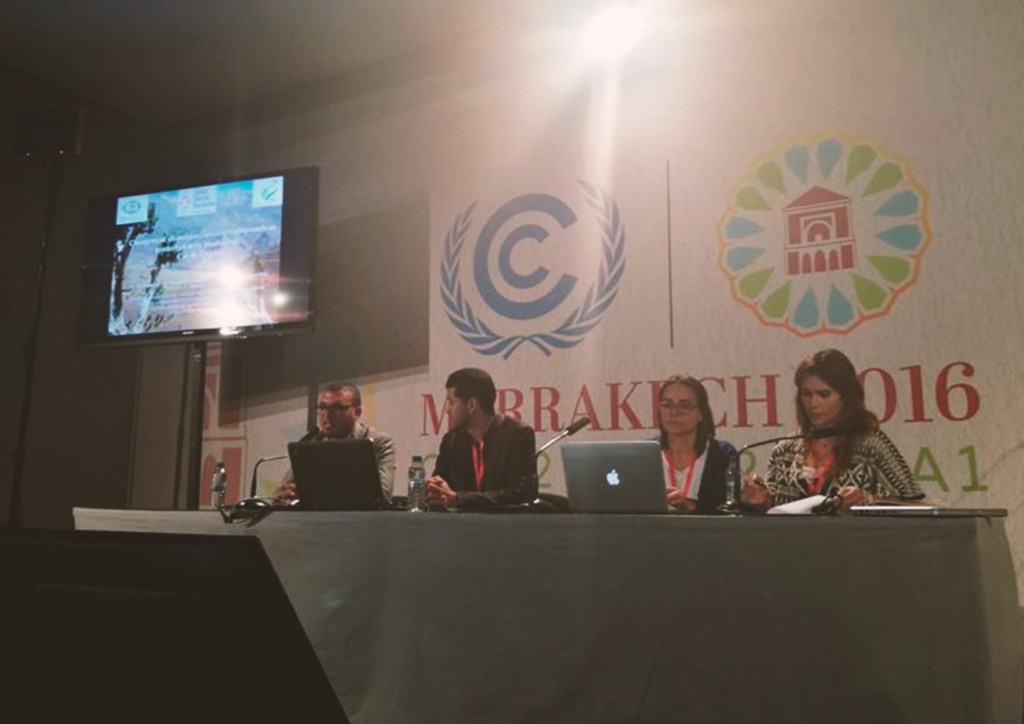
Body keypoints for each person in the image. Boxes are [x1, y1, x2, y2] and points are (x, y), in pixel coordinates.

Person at [743, 349, 923, 512]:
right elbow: (773, 513)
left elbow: (915, 505)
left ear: (846, 396)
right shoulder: (784, 449)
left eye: (824, 394)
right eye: (806, 394)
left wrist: (868, 499)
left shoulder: (872, 445)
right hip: (794, 539)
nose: (813, 403)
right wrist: (760, 502)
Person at [425, 368, 538, 510]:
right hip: (460, 523)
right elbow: (439, 489)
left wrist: (457, 499)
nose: (447, 410)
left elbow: (519, 494)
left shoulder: (518, 435)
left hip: (506, 522)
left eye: (451, 402)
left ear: (472, 405)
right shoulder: (451, 440)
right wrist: (433, 491)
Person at [276, 381, 396, 503]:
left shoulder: (379, 442)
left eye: (337, 408)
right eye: (322, 407)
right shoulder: (311, 442)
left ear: (357, 412)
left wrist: (320, 491)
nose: (327, 414)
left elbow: (384, 495)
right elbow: (283, 490)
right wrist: (285, 494)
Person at [657, 375, 736, 514]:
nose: (674, 412)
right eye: (667, 405)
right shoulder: (645, 453)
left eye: (684, 406)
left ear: (701, 414)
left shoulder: (722, 454)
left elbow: (730, 509)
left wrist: (692, 506)